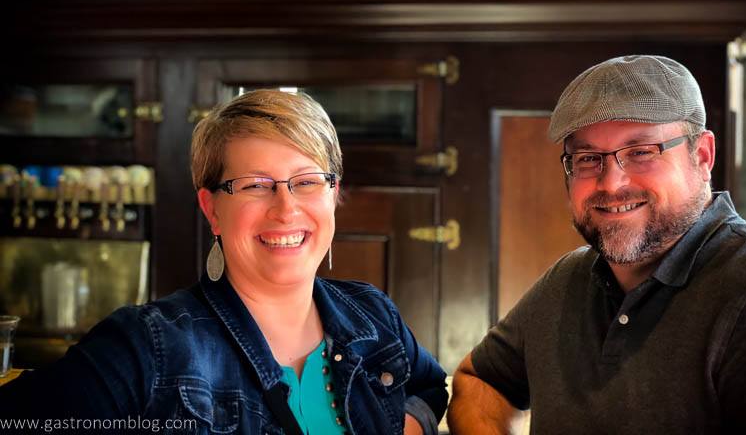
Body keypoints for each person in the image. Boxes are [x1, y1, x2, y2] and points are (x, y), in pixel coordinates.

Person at [0, 90, 448, 434]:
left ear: (333, 195)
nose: (286, 208)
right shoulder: (151, 345)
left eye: (307, 182)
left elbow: (429, 388)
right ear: (212, 209)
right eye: (255, 185)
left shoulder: (372, 315)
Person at [447, 55, 746, 434]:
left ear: (702, 156)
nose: (612, 184)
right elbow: (478, 380)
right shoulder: (567, 280)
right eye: (588, 158)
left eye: (641, 152)